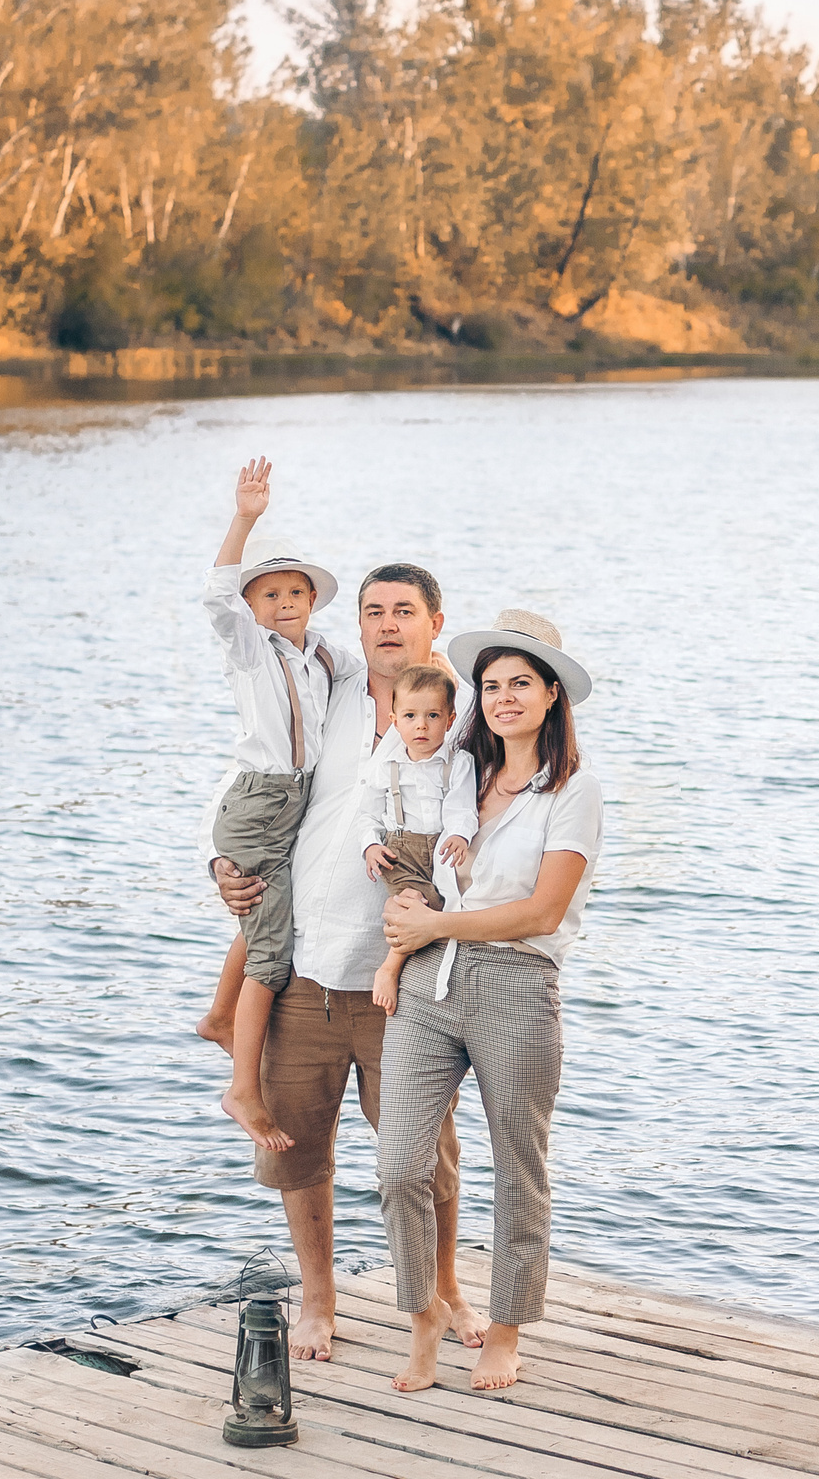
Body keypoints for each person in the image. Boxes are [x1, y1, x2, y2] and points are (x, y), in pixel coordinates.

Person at [209, 560, 479, 1361]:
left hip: (409, 976)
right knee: (298, 1145)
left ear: (435, 620)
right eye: (373, 611)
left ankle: (445, 1288)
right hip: (306, 967)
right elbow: (253, 773)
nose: (388, 624)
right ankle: (318, 1301)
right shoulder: (326, 688)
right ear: (357, 624)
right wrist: (220, 865)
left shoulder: (465, 722)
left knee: (426, 1156)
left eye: (404, 610)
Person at [375, 610, 602, 1392]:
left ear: (550, 696)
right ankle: (425, 1313)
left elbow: (542, 911)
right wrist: (403, 934)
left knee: (517, 1168)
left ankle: (506, 1330)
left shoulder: (571, 793)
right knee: (399, 1165)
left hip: (516, 985)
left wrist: (437, 919)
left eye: (520, 685)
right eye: (492, 685)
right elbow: (403, 838)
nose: (504, 697)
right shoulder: (455, 775)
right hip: (428, 981)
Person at [199, 457, 359, 1151]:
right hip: (261, 801)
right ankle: (243, 1087)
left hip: (287, 804)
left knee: (269, 920)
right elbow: (215, 597)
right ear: (253, 605)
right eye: (270, 594)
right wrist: (245, 518)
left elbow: (385, 670)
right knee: (273, 953)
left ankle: (217, 1015)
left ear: (313, 600)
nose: (286, 601)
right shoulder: (251, 650)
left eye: (297, 591)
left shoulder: (325, 654)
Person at [358, 663, 476, 1014]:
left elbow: (463, 807)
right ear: (395, 720)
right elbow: (367, 813)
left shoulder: (459, 763)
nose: (421, 725)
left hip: (442, 847)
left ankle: (420, 969)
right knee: (416, 901)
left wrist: (458, 834)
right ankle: (390, 967)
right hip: (400, 852)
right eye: (410, 715)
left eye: (432, 715)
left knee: (443, 903)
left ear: (451, 719)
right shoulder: (387, 765)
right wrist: (370, 845)